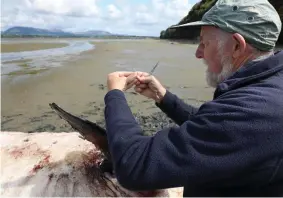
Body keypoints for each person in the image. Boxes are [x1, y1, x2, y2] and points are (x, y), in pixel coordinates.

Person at [103, 0, 283, 196]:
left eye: (204, 43)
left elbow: (135, 165)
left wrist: (115, 95)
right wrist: (163, 97)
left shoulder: (253, 110)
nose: (198, 53)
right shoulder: (270, 87)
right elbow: (217, 127)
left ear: (237, 47)